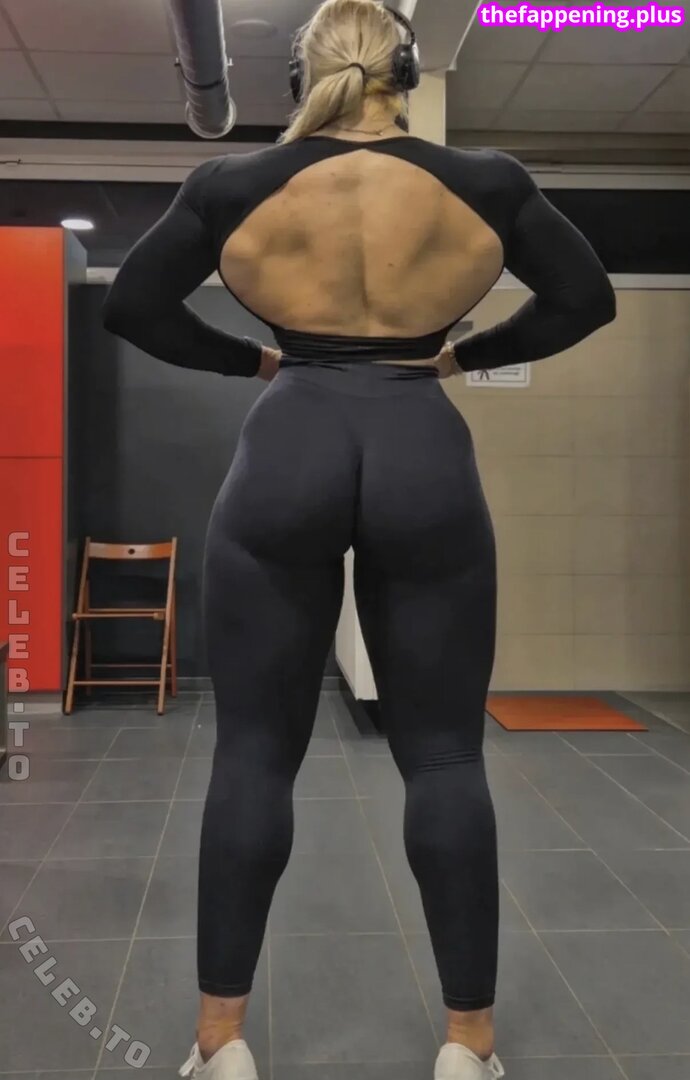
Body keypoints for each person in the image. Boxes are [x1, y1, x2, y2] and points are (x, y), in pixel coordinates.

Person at [102, 2, 616, 1077]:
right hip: (420, 441)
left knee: (253, 754)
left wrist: (256, 363)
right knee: (445, 756)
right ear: (407, 70)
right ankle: (469, 1047)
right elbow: (583, 300)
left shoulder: (231, 186)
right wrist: (459, 360)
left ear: (302, 79)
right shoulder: (488, 182)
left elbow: (137, 307)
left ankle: (220, 1044)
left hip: (290, 439)